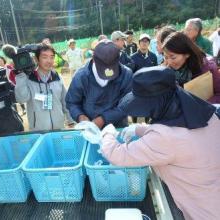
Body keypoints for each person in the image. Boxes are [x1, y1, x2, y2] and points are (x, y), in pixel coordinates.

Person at [100, 66, 220, 220]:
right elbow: (178, 135)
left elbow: (116, 155)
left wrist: (108, 134)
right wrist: (139, 129)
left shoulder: (164, 139)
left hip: (204, 208)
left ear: (155, 103)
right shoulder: (203, 112)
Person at [65, 40, 132, 129]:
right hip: (90, 128)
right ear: (93, 59)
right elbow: (72, 102)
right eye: (103, 67)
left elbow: (127, 104)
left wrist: (104, 118)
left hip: (117, 126)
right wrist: (81, 117)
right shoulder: (81, 76)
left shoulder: (126, 74)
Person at [14, 43, 75, 131]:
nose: (49, 61)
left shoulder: (57, 77)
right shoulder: (29, 78)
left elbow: (65, 100)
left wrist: (70, 120)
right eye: (44, 57)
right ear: (36, 59)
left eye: (52, 57)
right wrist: (20, 76)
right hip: (38, 131)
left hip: (58, 128)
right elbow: (21, 99)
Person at [162, 32, 220, 103]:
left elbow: (219, 94)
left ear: (187, 54)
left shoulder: (207, 67)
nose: (169, 62)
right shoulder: (166, 71)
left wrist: (203, 106)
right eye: (166, 57)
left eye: (173, 57)